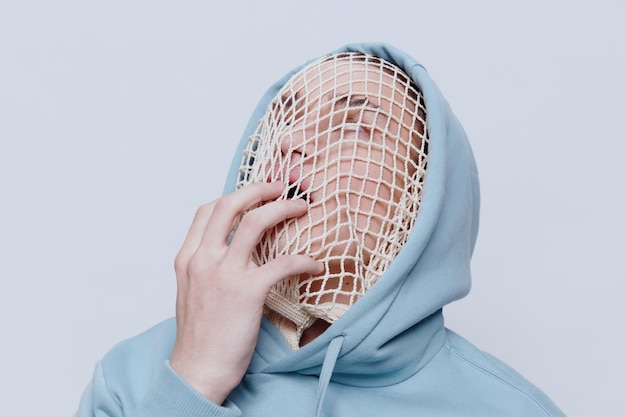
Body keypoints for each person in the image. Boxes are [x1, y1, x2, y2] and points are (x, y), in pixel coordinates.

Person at [75, 43, 566, 417]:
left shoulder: (509, 408)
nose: (290, 141)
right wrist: (193, 383)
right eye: (284, 119)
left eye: (355, 125)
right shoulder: (133, 377)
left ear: (426, 193)